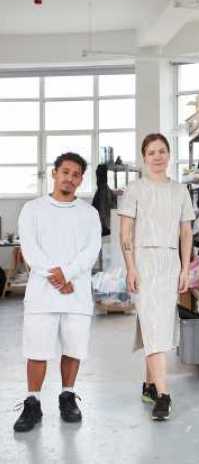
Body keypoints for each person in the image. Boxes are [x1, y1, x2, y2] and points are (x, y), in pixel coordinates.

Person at [14, 152, 101, 432]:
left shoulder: (89, 213)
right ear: (54, 173)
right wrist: (58, 276)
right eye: (65, 172)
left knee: (74, 347)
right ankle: (33, 402)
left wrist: (69, 274)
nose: (69, 178)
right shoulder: (33, 209)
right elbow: (30, 249)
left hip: (76, 293)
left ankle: (67, 396)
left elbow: (91, 250)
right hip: (42, 293)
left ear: (81, 180)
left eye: (76, 175)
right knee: (37, 350)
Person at [118, 133, 194, 421]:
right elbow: (125, 233)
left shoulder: (180, 191)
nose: (158, 156)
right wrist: (131, 267)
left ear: (169, 154)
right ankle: (164, 395)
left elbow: (186, 232)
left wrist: (185, 268)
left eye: (162, 151)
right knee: (153, 326)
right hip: (144, 261)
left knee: (158, 325)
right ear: (144, 156)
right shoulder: (134, 190)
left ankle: (150, 385)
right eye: (152, 152)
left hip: (170, 261)